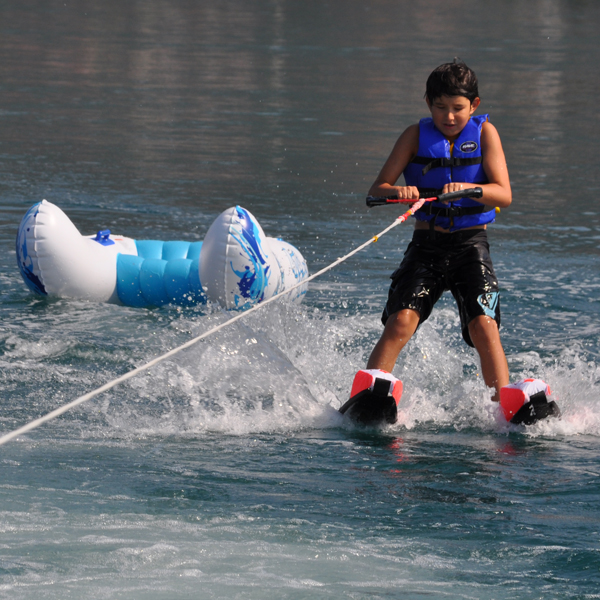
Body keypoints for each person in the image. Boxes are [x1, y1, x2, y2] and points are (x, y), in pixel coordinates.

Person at [357, 60, 511, 405]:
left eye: (458, 108)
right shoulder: (414, 135)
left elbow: (504, 193)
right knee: (400, 322)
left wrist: (471, 189)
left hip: (471, 245)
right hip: (426, 245)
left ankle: (505, 406)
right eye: (440, 107)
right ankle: (369, 395)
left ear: (475, 106)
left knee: (484, 326)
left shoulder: (486, 134)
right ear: (428, 103)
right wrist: (400, 192)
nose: (450, 116)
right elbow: (378, 188)